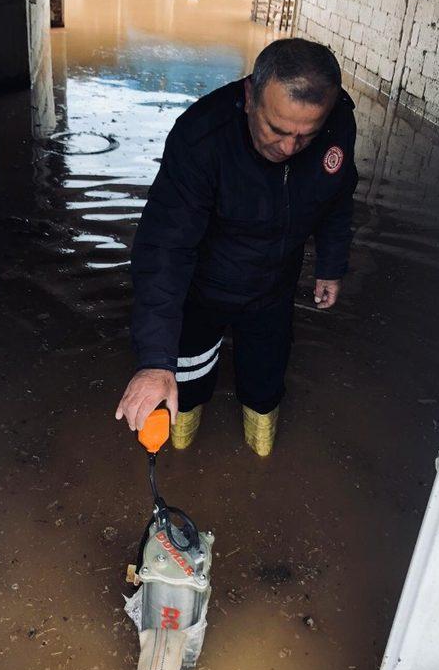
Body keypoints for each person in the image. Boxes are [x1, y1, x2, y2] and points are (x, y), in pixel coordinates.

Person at [115, 38, 358, 456]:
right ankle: (183, 452)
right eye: (277, 130)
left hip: (273, 290)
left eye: (305, 136)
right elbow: (164, 250)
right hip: (204, 291)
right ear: (249, 97)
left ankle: (260, 456)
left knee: (265, 387)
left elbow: (337, 197)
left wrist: (331, 265)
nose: (288, 148)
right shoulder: (201, 137)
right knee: (183, 390)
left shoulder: (337, 124)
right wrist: (156, 360)